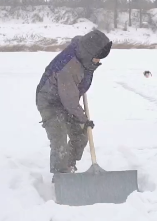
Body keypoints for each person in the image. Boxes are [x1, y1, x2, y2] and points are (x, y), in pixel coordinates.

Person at [35, 29, 112, 175]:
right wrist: (84, 119)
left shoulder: (83, 55)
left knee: (81, 135)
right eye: (97, 57)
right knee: (59, 138)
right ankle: (61, 175)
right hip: (49, 101)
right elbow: (69, 101)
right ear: (90, 53)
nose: (99, 61)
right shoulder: (69, 67)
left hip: (66, 99)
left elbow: (71, 96)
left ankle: (69, 165)